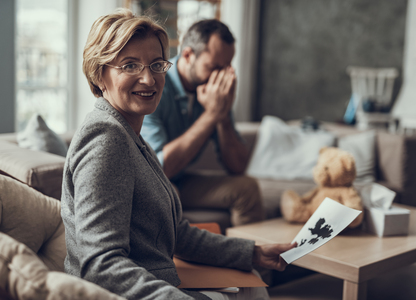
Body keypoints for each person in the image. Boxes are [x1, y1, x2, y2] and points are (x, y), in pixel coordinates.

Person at [61, 9, 295, 300]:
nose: (148, 79)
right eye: (130, 65)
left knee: (253, 283)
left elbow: (177, 233)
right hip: (131, 292)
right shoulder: (106, 140)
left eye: (156, 64)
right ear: (99, 74)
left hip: (159, 278)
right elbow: (99, 265)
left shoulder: (129, 134)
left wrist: (253, 253)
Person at [140, 19, 264, 227]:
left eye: (226, 68)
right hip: (151, 181)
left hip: (183, 179)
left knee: (247, 188)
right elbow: (159, 169)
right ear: (188, 55)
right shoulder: (155, 85)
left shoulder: (213, 90)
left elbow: (238, 167)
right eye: (214, 67)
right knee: (168, 192)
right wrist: (212, 115)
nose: (221, 77)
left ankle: (250, 257)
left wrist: (223, 115)